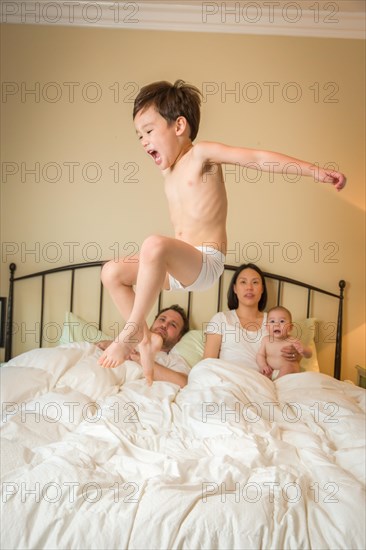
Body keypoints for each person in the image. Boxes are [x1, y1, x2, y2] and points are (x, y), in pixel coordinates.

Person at [98, 79, 346, 382]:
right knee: (111, 272)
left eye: (149, 131)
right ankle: (147, 339)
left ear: (179, 126)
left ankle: (131, 334)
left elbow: (257, 159)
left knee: (154, 243)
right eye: (139, 135)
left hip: (204, 262)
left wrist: (315, 171)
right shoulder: (168, 170)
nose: (143, 141)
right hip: (176, 267)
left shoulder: (200, 155)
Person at [203, 264, 301, 369]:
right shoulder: (221, 319)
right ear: (235, 288)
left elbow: (291, 353)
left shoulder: (275, 321)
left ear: (262, 289)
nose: (249, 288)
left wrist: (295, 354)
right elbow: (208, 362)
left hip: (262, 381)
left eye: (255, 282)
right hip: (228, 378)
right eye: (243, 282)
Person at [98, 305, 190, 388]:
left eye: (173, 325)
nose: (164, 325)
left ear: (179, 337)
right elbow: (94, 347)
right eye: (162, 319)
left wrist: (139, 358)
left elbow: (183, 383)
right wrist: (110, 344)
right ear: (153, 323)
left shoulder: (173, 360)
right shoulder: (126, 341)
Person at [256, 306, 312, 380]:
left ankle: (279, 382)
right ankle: (269, 384)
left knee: (289, 365)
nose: (277, 324)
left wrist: (303, 349)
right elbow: (260, 355)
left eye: (282, 321)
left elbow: (309, 355)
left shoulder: (293, 341)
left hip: (289, 372)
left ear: (290, 327)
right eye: (272, 321)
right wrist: (263, 366)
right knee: (261, 375)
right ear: (267, 327)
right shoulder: (266, 340)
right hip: (271, 371)